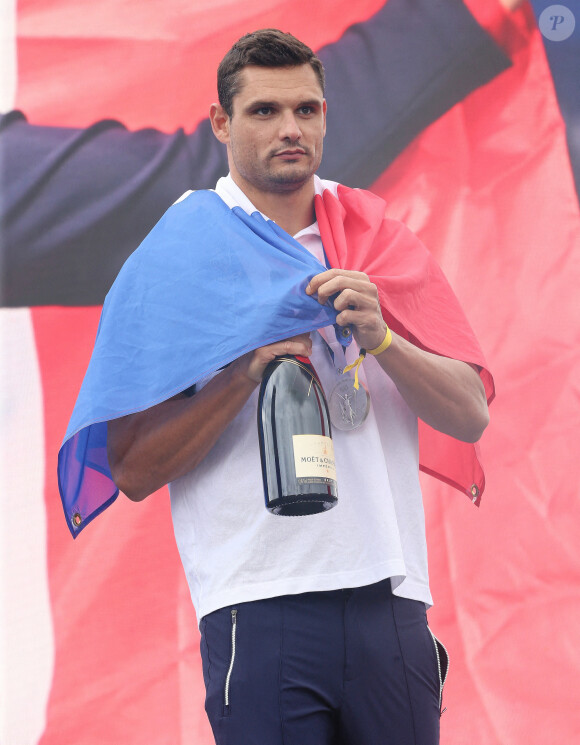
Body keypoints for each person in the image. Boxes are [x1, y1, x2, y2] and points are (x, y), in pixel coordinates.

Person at [97, 30, 491, 745]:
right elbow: (132, 467)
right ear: (221, 122)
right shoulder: (181, 255)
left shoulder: (378, 238)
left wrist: (386, 340)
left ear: (327, 115)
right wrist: (243, 375)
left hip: (390, 596)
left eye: (306, 110)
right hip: (258, 601)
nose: (290, 129)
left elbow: (469, 416)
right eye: (264, 111)